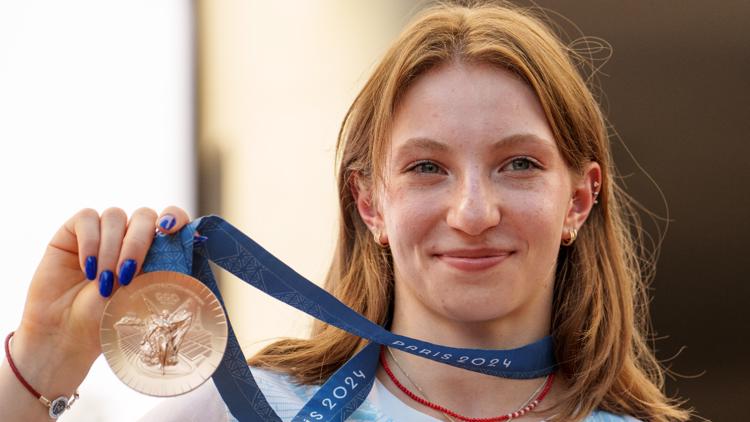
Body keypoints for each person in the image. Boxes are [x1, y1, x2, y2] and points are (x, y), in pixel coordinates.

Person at [0, 1, 692, 421]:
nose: (474, 212)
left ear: (578, 199)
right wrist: (40, 365)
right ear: (370, 204)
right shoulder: (247, 410)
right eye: (427, 167)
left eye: (519, 164)